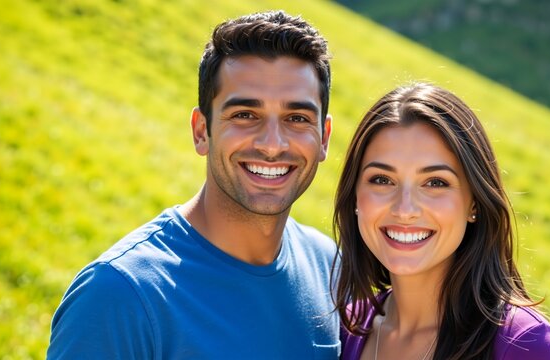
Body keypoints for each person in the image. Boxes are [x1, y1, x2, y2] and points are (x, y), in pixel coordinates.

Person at [48, 11, 341, 359]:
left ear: (323, 138)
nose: (272, 144)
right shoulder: (120, 297)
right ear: (202, 131)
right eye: (245, 115)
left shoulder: (330, 269)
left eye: (297, 118)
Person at [333, 83, 550, 359]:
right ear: (355, 198)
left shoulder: (525, 345)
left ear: (474, 204)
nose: (405, 209)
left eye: (435, 182)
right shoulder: (344, 330)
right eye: (382, 180)